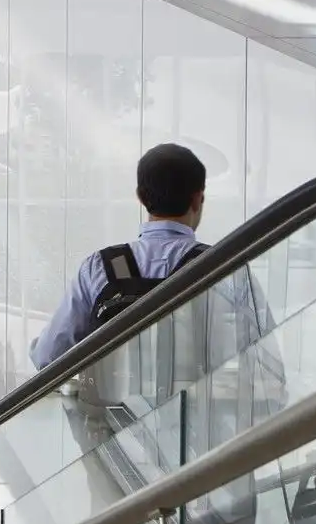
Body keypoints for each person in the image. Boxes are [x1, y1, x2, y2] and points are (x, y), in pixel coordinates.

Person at [31, 143, 210, 370]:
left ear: (141, 197)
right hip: (195, 403)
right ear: (197, 199)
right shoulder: (223, 264)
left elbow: (47, 357)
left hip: (111, 404)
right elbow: (258, 356)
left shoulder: (100, 267)